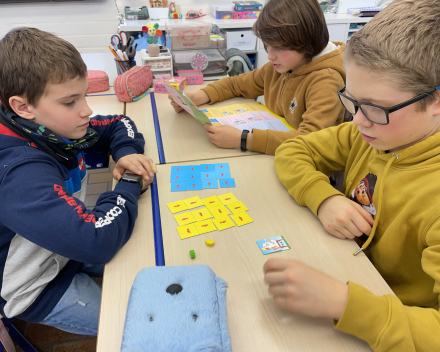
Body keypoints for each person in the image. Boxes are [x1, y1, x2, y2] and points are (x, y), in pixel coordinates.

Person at [269, 0, 440, 350]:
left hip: (390, 325)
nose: (357, 120)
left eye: (376, 108)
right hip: (350, 273)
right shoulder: (374, 134)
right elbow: (293, 150)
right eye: (352, 100)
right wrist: (324, 197)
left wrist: (343, 303)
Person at [0, 27, 157, 335]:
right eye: (71, 101)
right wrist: (129, 180)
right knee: (145, 325)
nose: (87, 110)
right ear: (22, 106)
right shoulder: (19, 173)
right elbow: (94, 241)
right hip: (37, 285)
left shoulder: (47, 126)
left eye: (85, 96)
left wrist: (125, 152)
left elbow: (117, 123)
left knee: (152, 263)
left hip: (67, 250)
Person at [168, 0, 346, 155]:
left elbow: (310, 140)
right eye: (267, 46)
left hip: (308, 165)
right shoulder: (283, 66)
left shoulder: (326, 80)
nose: (270, 56)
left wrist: (245, 139)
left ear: (307, 42)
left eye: (279, 48)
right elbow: (237, 84)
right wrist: (199, 96)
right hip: (278, 155)